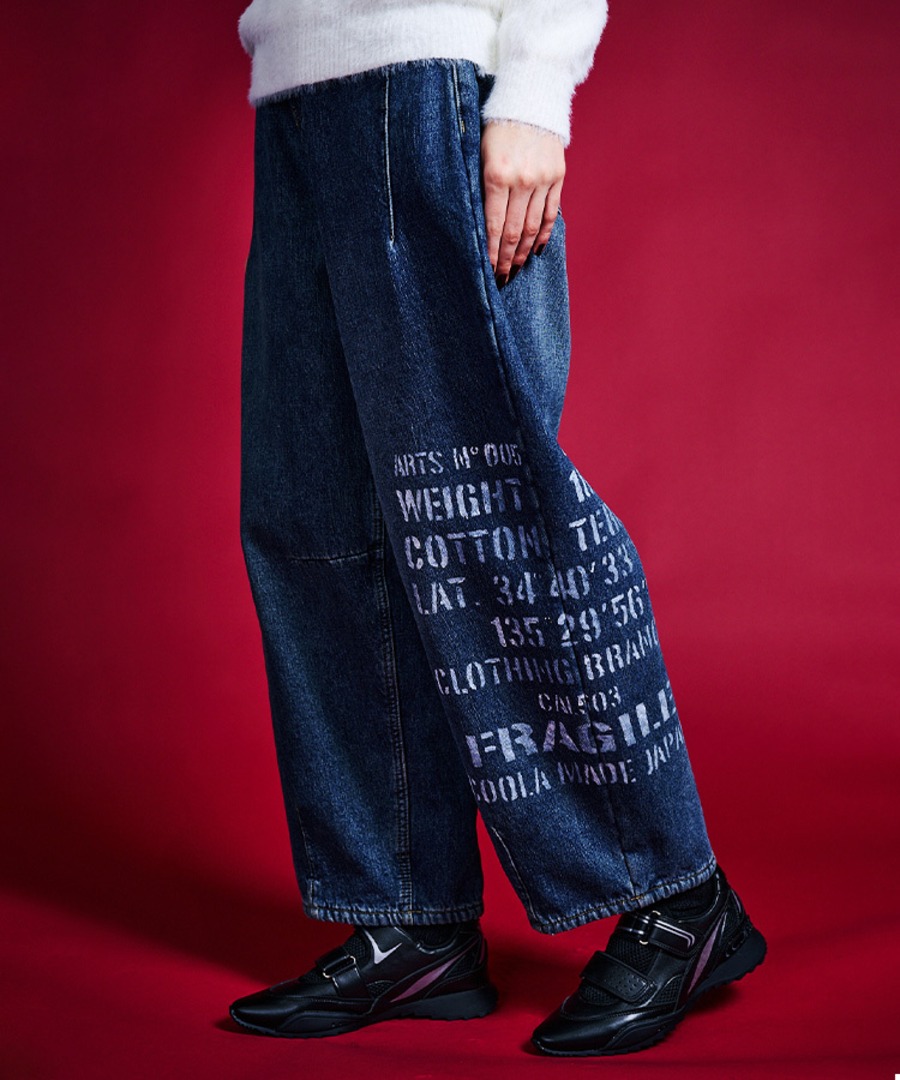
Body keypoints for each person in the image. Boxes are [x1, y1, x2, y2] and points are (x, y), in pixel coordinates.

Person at [228, 0, 766, 1057]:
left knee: (484, 513)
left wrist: (534, 91)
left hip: (428, 81)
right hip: (293, 91)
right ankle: (411, 918)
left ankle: (677, 898)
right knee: (319, 529)